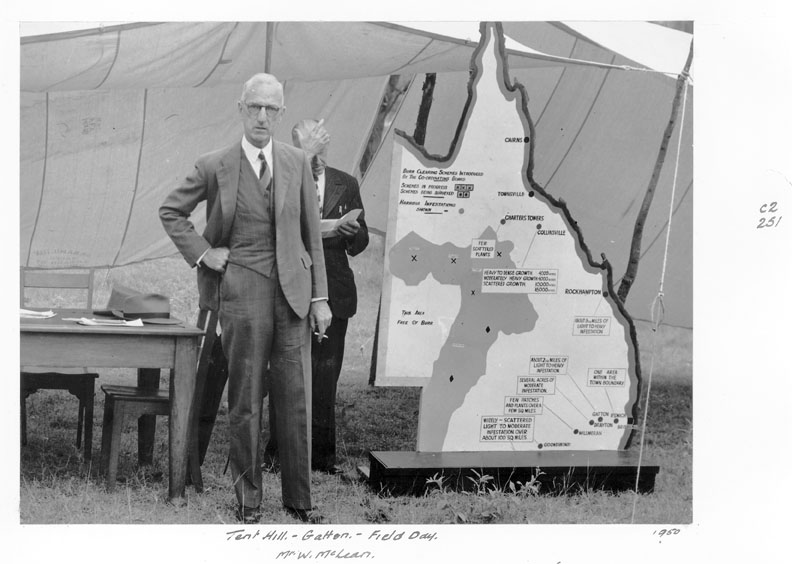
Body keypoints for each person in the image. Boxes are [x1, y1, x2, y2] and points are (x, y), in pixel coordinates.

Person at [159, 73, 332, 524]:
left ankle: (299, 501)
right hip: (241, 294)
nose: (262, 116)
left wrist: (320, 299)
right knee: (245, 399)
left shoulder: (296, 161)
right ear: (240, 107)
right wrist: (203, 252)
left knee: (295, 401)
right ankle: (247, 501)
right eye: (254, 106)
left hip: (293, 295)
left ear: (281, 113)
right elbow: (171, 211)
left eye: (271, 109)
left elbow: (312, 238)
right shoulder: (215, 163)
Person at [264, 119, 369, 474]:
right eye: (309, 150)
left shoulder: (346, 183)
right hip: (292, 288)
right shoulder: (282, 180)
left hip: (335, 292)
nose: (318, 158)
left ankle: (322, 458)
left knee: (326, 377)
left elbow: (361, 242)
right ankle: (278, 453)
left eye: (322, 150)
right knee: (287, 373)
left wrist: (353, 233)